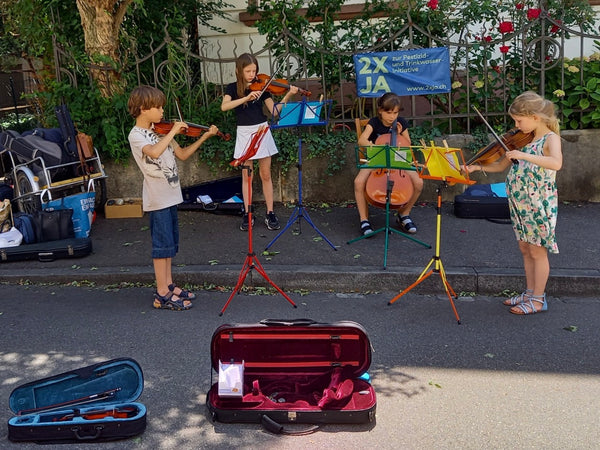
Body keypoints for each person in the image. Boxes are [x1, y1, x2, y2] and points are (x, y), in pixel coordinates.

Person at [463, 91, 562, 315]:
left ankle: (538, 299)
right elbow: (500, 166)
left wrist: (524, 155)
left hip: (538, 203)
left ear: (536, 117)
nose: (515, 126)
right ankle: (529, 293)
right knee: (525, 248)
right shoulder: (525, 138)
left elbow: (556, 163)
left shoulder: (550, 139)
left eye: (519, 120)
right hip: (519, 201)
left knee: (538, 251)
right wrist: (477, 167)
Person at [127, 85, 219, 311]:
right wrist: (171, 133)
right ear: (142, 109)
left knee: (170, 245)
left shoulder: (160, 130)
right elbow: (155, 152)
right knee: (161, 246)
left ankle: (168, 284)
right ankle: (161, 293)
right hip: (157, 199)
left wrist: (205, 136)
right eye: (157, 107)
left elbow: (183, 154)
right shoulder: (136, 135)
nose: (161, 111)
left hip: (170, 196)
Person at [221, 53, 298, 231]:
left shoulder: (264, 88)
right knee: (247, 175)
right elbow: (224, 106)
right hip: (244, 133)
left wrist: (287, 95)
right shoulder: (232, 88)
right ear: (239, 71)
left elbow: (275, 112)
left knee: (266, 174)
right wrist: (246, 98)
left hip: (262, 130)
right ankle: (248, 212)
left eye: (254, 70)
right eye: (248, 71)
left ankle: (270, 213)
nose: (252, 74)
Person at [354, 92, 423, 236]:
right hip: (377, 161)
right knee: (358, 182)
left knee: (418, 182)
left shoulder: (401, 123)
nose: (392, 116)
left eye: (395, 113)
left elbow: (408, 145)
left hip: (398, 161)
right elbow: (362, 140)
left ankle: (404, 214)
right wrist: (376, 147)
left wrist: (399, 134)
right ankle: (364, 220)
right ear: (380, 110)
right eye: (389, 112)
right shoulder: (374, 122)